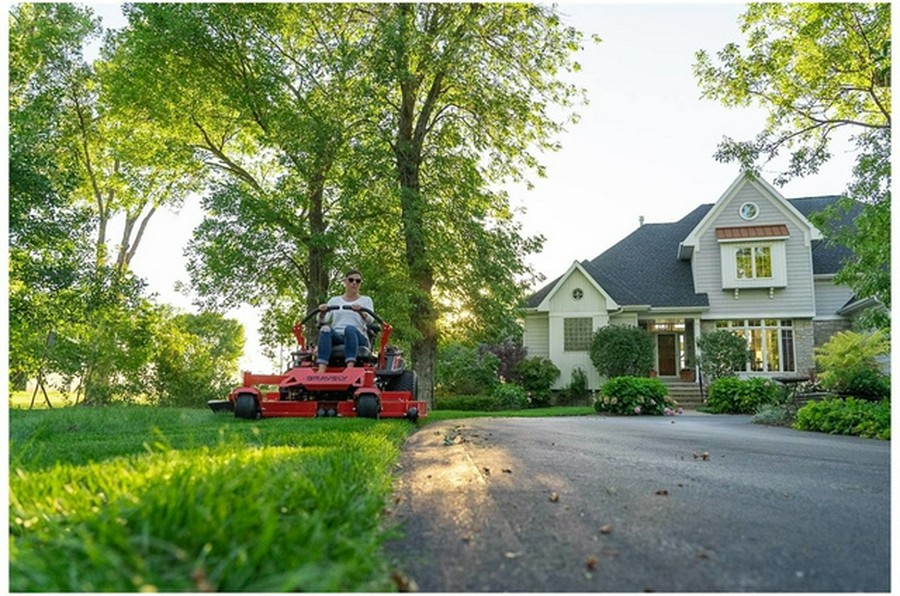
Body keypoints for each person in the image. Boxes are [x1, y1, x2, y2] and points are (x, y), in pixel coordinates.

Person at [315, 269, 374, 373]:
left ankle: (350, 367)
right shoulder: (334, 300)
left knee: (350, 328)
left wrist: (360, 312)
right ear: (345, 282)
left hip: (358, 336)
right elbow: (322, 320)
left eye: (358, 281)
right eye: (351, 280)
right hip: (338, 336)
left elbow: (370, 320)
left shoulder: (366, 300)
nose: (354, 283)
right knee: (325, 328)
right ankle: (321, 368)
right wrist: (323, 312)